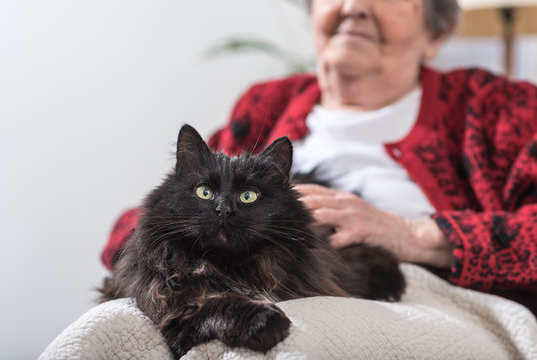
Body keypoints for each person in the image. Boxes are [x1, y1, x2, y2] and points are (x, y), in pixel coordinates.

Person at [102, 0, 537, 315]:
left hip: (411, 302)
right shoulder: (266, 102)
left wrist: (411, 233)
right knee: (108, 329)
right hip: (241, 294)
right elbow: (136, 229)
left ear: (436, 33)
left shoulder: (499, 107)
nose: (353, 6)